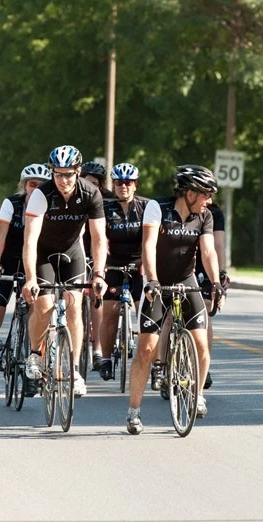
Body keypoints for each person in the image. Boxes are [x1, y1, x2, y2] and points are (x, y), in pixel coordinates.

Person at [126, 165, 223, 435]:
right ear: (189, 193)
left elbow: (208, 251)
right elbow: (148, 246)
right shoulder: (158, 208)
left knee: (202, 343)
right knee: (147, 349)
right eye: (205, 194)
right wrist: (153, 281)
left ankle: (198, 394)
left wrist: (215, 282)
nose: (209, 201)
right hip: (158, 281)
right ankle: (134, 411)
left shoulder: (204, 216)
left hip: (185, 279)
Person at [22, 145, 108, 398]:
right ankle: (35, 354)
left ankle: (74, 370)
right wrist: (29, 279)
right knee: (44, 305)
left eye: (69, 174)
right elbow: (30, 240)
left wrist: (99, 274)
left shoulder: (91, 193)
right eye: (58, 174)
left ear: (78, 172)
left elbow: (99, 238)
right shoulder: (42, 194)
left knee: (74, 305)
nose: (63, 180)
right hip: (44, 254)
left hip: (73, 252)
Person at [0, 163, 51, 404]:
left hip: (33, 264)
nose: (36, 189)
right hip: (8, 263)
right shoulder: (11, 204)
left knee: (40, 316)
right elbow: (0, 237)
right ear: (24, 185)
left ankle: (34, 371)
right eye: (32, 184)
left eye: (42, 185)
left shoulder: (49, 206)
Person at [97, 163, 149, 381]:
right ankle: (106, 359)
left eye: (128, 182)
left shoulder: (146, 207)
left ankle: (155, 364)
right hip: (114, 265)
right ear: (114, 185)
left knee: (146, 315)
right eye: (119, 183)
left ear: (135, 185)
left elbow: (151, 240)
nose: (123, 186)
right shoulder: (105, 208)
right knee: (109, 313)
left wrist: (147, 264)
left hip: (140, 265)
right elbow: (97, 238)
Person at [79, 161, 116, 370]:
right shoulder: (75, 195)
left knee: (97, 294)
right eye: (86, 181)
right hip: (79, 246)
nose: (90, 186)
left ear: (101, 185)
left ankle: (97, 348)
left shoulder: (109, 199)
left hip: (100, 245)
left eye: (95, 183)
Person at [193, 200, 229, 390]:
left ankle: (203, 365)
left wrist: (220, 275)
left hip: (205, 263)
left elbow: (218, 245)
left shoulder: (214, 213)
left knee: (205, 309)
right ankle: (163, 365)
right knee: (169, 313)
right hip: (179, 262)